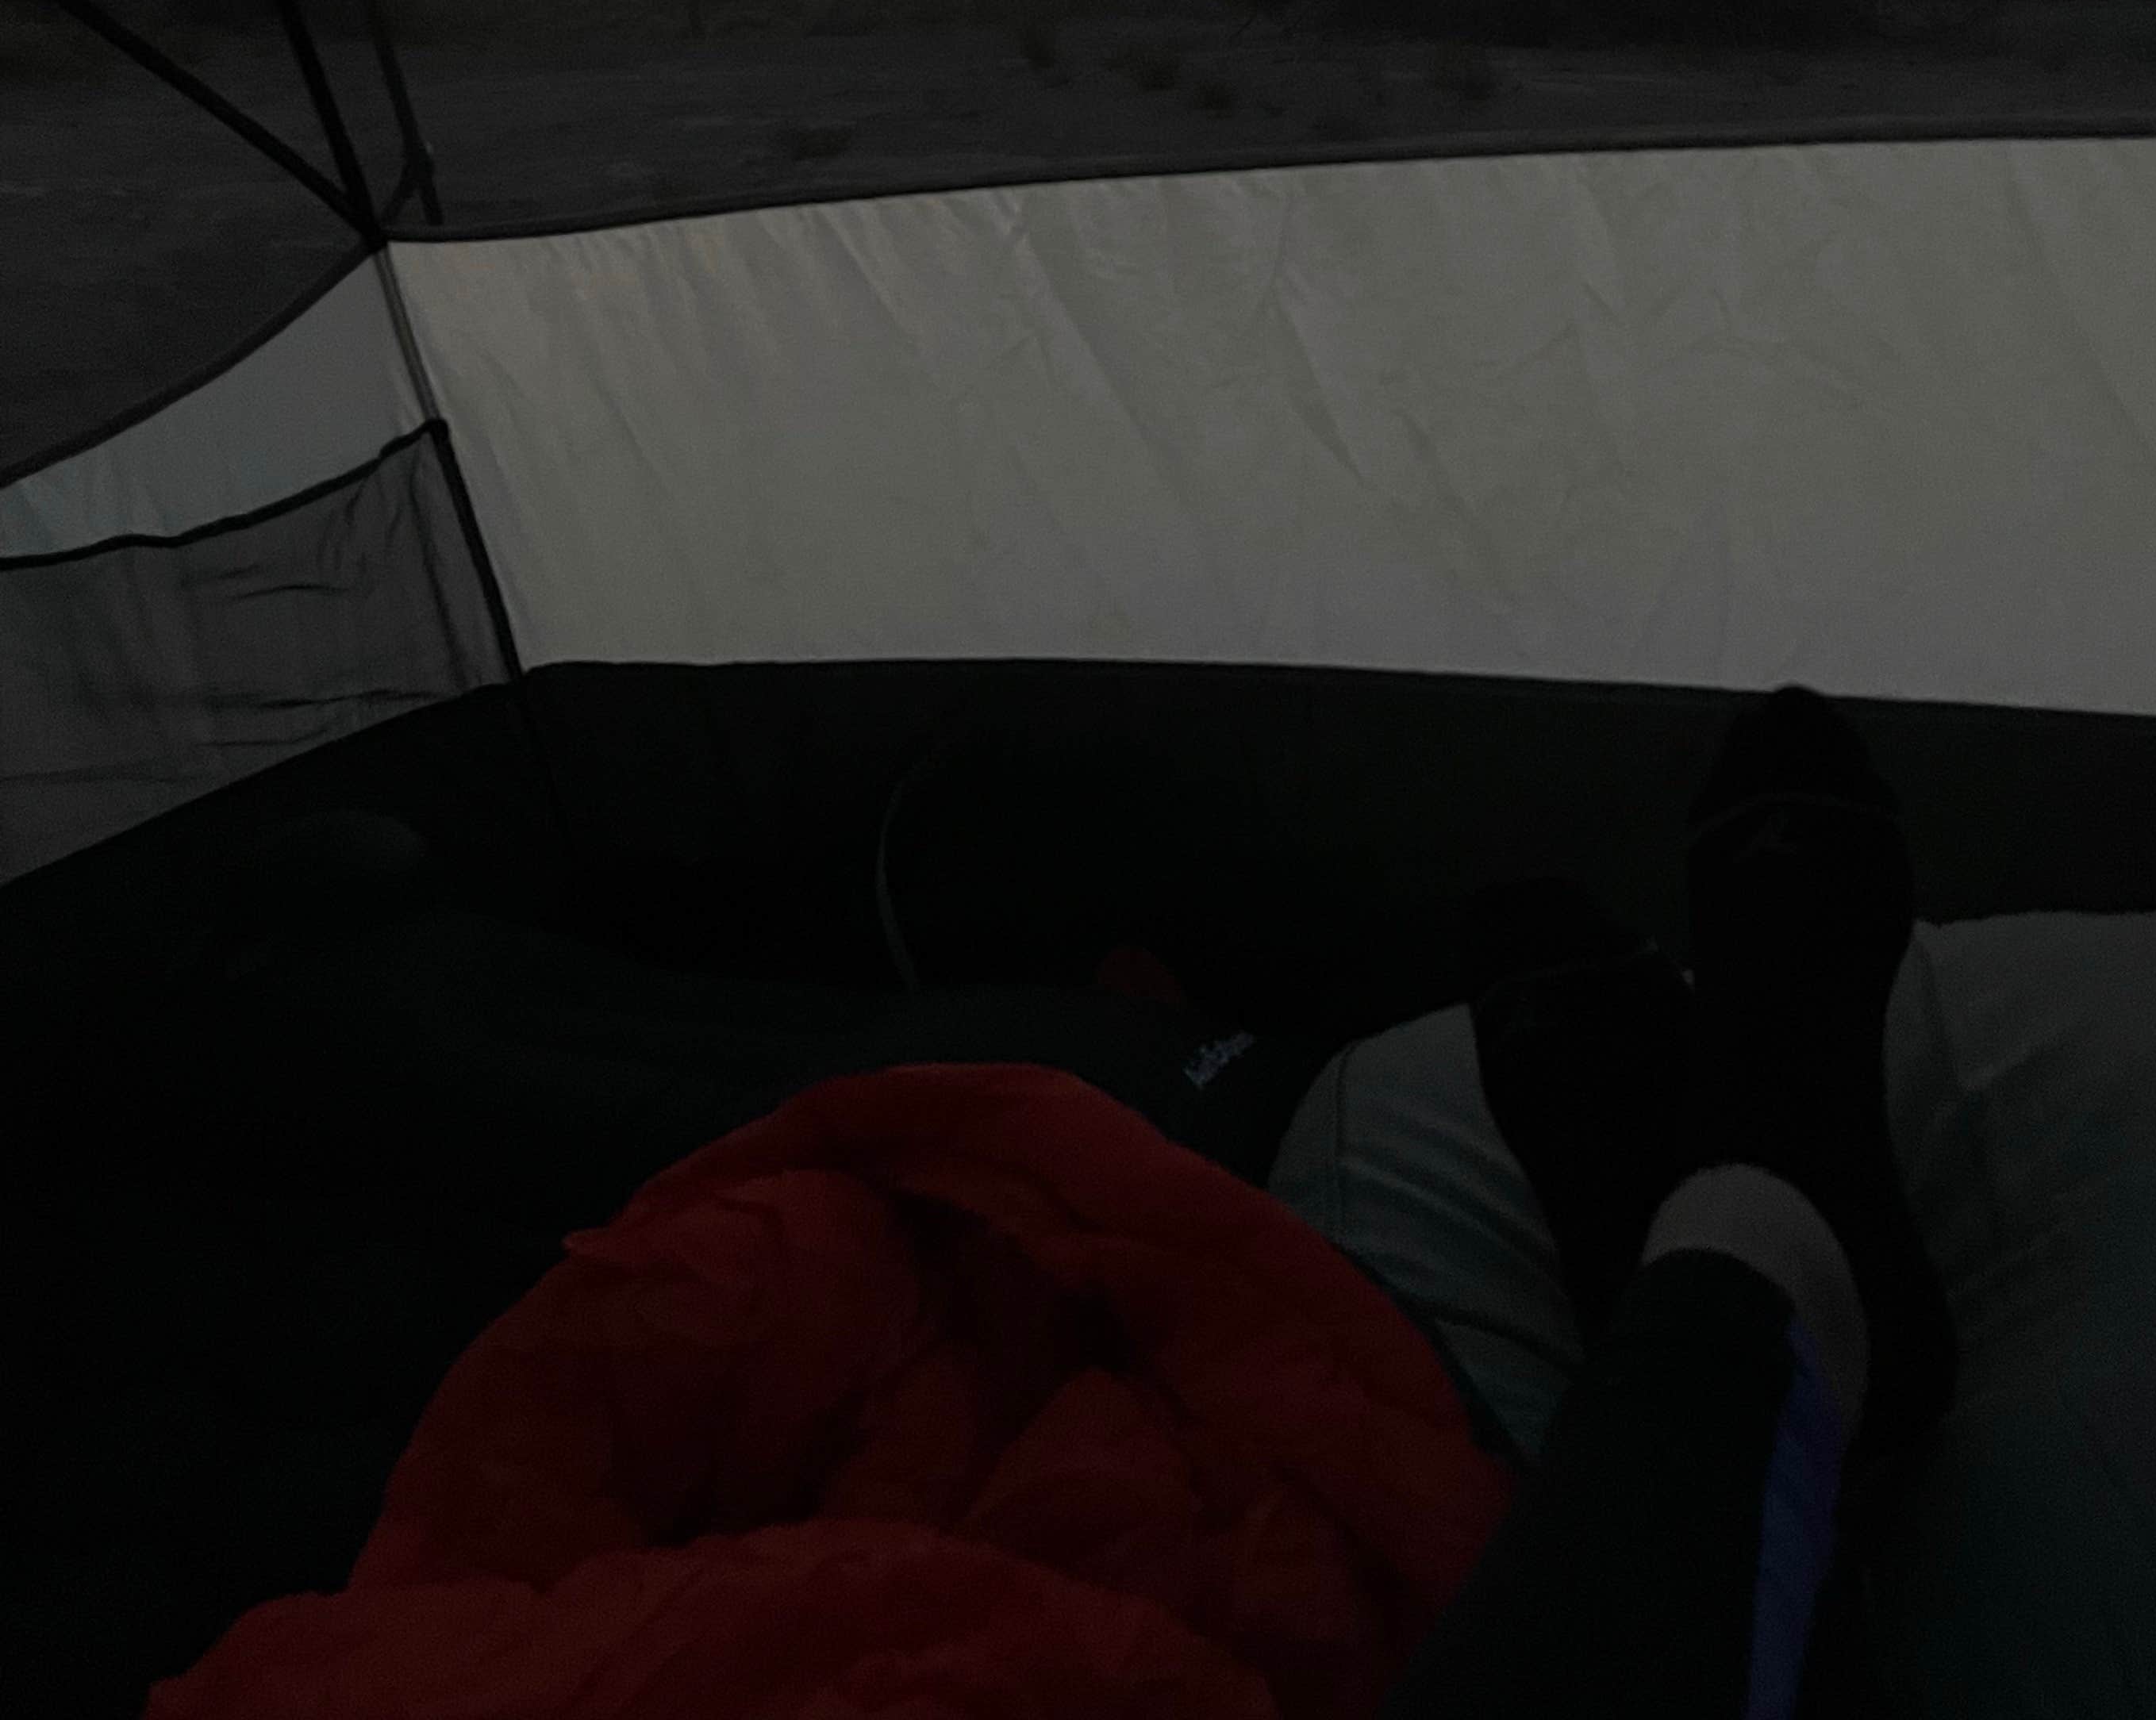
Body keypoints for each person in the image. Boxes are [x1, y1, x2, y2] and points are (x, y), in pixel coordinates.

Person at [162, 683, 1954, 1717]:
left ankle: (315, 1016)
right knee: (782, 1136)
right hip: (1225, 1166)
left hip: (1206, 1181)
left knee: (725, 1183)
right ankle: (1758, 1193)